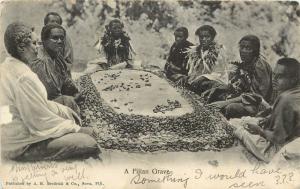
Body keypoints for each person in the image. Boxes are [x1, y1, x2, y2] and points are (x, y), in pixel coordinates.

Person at [0, 22, 100, 161]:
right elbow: (39, 121)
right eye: (34, 44)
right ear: (21, 47)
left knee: (68, 108)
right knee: (89, 142)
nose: (37, 49)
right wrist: (74, 129)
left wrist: (64, 111)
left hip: (14, 134)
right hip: (21, 144)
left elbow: (41, 103)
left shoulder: (6, 66)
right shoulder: (24, 77)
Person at [230, 58, 300, 163]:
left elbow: (277, 139)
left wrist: (259, 131)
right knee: (247, 121)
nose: (274, 79)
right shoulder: (294, 92)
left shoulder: (286, 98)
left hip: (285, 148)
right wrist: (269, 119)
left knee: (236, 126)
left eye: (280, 76)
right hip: (293, 139)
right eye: (274, 74)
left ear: (294, 79)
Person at [204, 35, 272, 119]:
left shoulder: (259, 66)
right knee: (217, 92)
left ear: (255, 51)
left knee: (231, 108)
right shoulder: (247, 63)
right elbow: (239, 87)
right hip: (247, 99)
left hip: (260, 105)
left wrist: (225, 102)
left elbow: (256, 96)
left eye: (248, 48)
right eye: (242, 47)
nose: (243, 51)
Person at [29, 24, 80, 114]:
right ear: (44, 40)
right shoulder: (40, 61)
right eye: (55, 38)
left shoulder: (57, 56)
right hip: (41, 106)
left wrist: (75, 91)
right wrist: (72, 99)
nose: (60, 41)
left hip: (55, 101)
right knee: (68, 101)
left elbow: (65, 79)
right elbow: (51, 94)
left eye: (62, 38)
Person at [185, 25, 228, 94]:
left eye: (207, 37)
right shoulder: (196, 51)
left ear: (212, 38)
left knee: (205, 84)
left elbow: (218, 73)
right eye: (201, 37)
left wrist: (203, 77)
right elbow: (194, 70)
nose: (204, 39)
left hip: (215, 81)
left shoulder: (218, 52)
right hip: (199, 80)